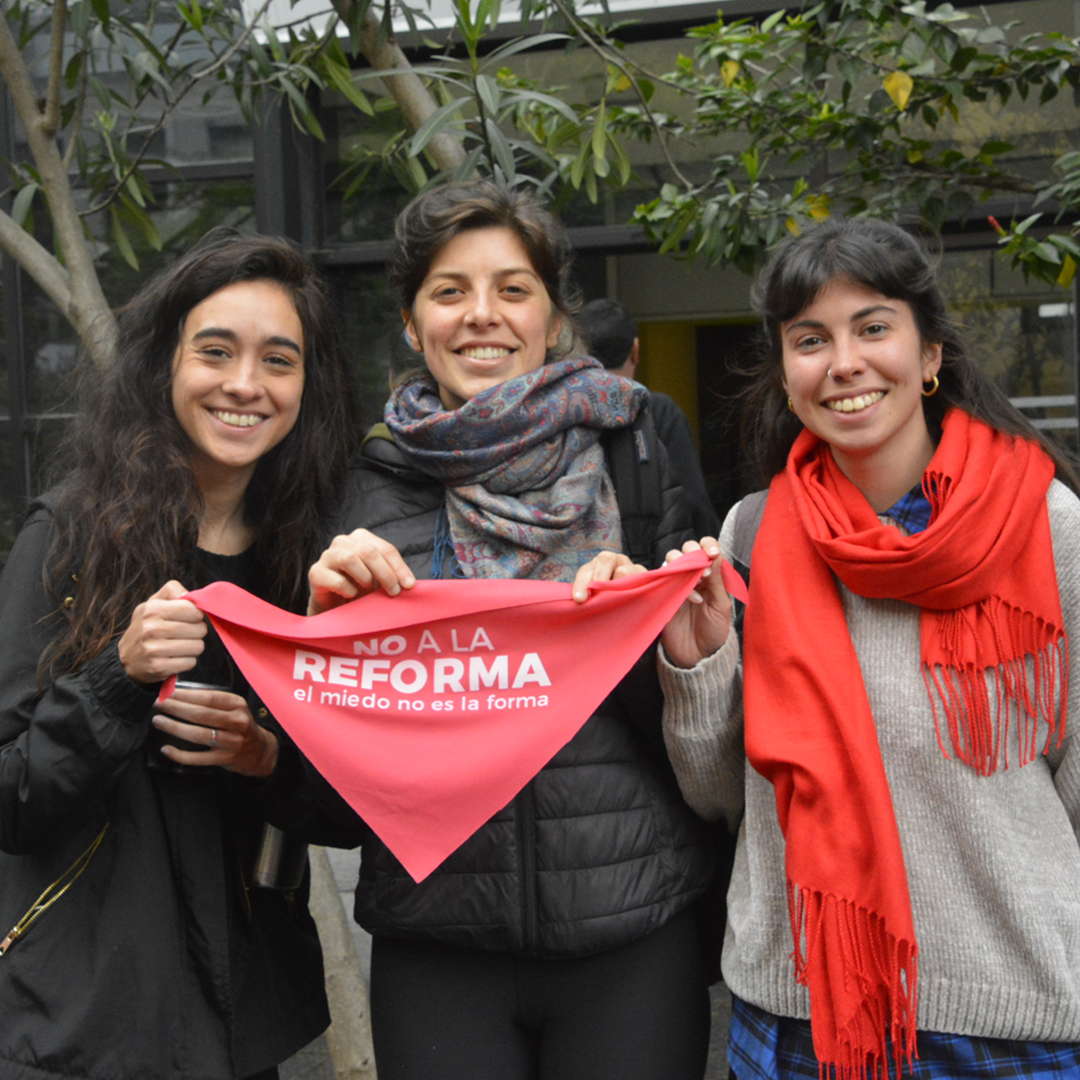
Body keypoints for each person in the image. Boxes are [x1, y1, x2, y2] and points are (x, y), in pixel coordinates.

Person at [304, 181, 715, 1080]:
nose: (481, 314)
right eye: (449, 291)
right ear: (412, 324)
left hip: (633, 926)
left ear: (552, 318)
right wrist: (322, 649)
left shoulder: (636, 447)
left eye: (513, 289)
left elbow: (711, 740)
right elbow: (331, 796)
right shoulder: (362, 485)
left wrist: (663, 641)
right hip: (436, 941)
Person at [654, 216, 1080, 1079]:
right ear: (787, 373)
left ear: (929, 356)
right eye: (810, 339)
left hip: (1009, 1016)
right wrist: (698, 668)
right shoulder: (751, 534)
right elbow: (725, 798)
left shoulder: (1045, 525)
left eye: (873, 327)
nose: (843, 363)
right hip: (798, 1015)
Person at [0, 229, 357, 1080]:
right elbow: (9, 795)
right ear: (166, 364)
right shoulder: (69, 535)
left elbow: (354, 810)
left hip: (242, 1020)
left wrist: (265, 757)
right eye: (216, 352)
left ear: (307, 386)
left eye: (278, 360)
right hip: (81, 1022)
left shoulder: (313, 558)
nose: (245, 384)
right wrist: (117, 677)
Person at [577, 297, 720, 537]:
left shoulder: (564, 412)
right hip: (651, 554)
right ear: (635, 351)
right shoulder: (658, 411)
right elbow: (692, 500)